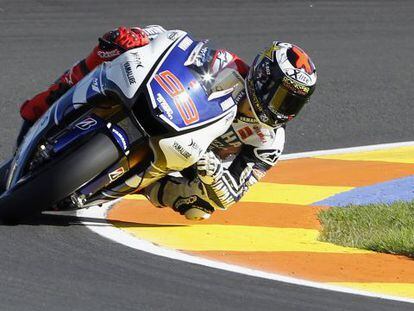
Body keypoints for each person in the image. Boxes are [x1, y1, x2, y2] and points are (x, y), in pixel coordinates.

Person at [14, 25, 317, 220]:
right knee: (120, 42)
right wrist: (145, 36)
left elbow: (234, 193)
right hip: (169, 111)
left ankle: (121, 185)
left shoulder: (269, 142)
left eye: (292, 103)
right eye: (281, 96)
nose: (283, 109)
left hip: (184, 161)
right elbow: (177, 44)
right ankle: (49, 99)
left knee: (200, 209)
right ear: (263, 77)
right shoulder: (227, 64)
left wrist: (212, 174)